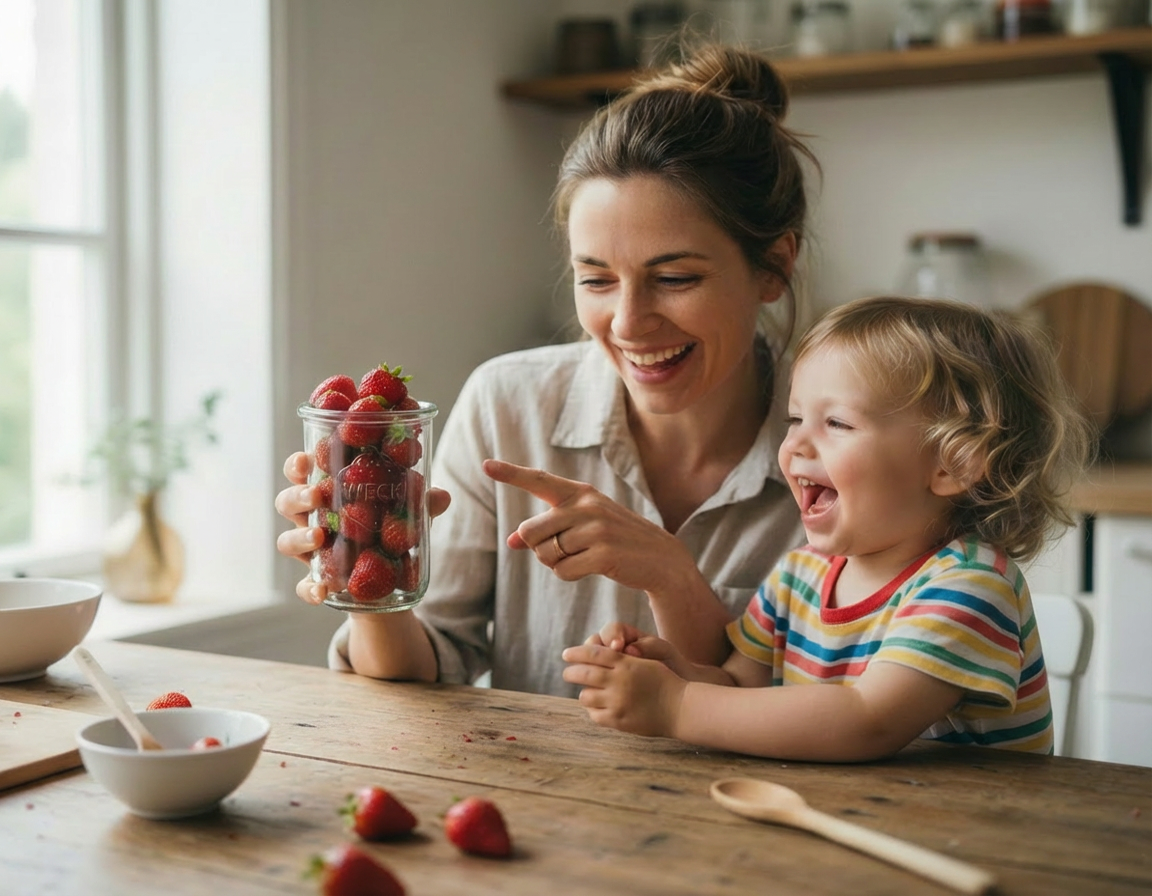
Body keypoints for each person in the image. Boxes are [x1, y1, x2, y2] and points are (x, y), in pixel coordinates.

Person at [275, 44, 817, 698]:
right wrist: (368, 567)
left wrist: (673, 577)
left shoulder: (851, 449)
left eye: (674, 278)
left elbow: (853, 711)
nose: (627, 322)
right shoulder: (506, 404)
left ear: (775, 267)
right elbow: (432, 658)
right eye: (596, 279)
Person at [561, 296, 1094, 759]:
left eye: (836, 423)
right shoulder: (801, 574)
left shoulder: (971, 587)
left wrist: (676, 706)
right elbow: (740, 687)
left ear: (952, 464)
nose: (794, 446)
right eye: (795, 420)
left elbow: (867, 721)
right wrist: (674, 673)